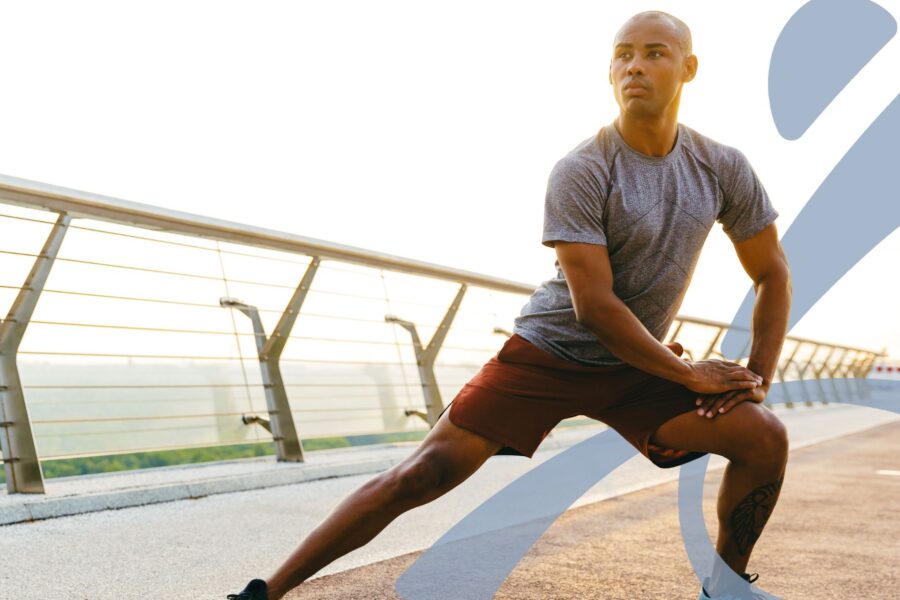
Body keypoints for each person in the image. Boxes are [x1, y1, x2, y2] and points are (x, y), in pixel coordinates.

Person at [227, 10, 791, 600]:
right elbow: (594, 305)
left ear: (689, 68)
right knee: (421, 475)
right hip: (550, 355)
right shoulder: (583, 169)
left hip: (637, 367)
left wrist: (756, 377)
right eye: (623, 54)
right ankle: (268, 591)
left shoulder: (721, 166)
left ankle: (724, 588)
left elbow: (772, 272)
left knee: (762, 438)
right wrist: (689, 372)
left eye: (654, 52)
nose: (635, 66)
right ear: (609, 71)